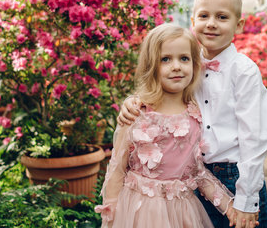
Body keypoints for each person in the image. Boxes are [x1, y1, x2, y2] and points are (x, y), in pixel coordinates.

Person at [119, 0, 267, 228]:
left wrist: (246, 200)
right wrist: (133, 102)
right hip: (195, 179)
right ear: (193, 21)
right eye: (204, 16)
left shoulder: (244, 71)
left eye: (222, 17)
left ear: (239, 25)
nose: (211, 23)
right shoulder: (186, 65)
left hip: (236, 177)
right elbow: (161, 97)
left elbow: (255, 139)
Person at [95, 23, 239, 228]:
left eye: (184, 58)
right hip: (138, 213)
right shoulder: (137, 113)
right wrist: (110, 216)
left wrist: (229, 206)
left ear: (194, 64)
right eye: (165, 59)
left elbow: (198, 173)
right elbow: (117, 170)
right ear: (151, 66)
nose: (176, 66)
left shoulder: (197, 115)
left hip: (182, 214)